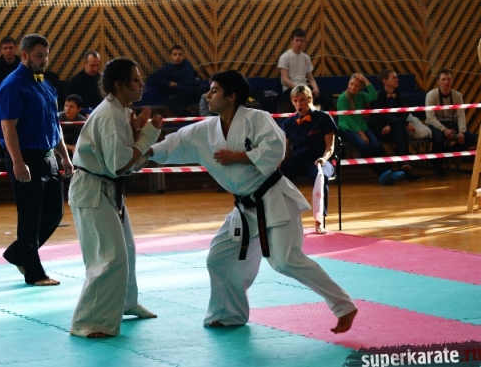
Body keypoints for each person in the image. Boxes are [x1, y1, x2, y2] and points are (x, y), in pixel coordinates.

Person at [146, 70, 357, 334]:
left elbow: (276, 148)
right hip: (245, 208)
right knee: (219, 257)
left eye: (214, 90)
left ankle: (343, 305)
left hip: (274, 199)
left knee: (285, 261)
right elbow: (174, 144)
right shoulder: (205, 130)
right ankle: (229, 314)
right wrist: (143, 151)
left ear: (232, 96)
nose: (207, 95)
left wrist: (239, 156)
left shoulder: (257, 118)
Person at [69, 58, 163, 338]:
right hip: (92, 190)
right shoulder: (110, 114)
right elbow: (119, 164)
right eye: (135, 79)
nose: (141, 84)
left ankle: (126, 302)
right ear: (119, 84)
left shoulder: (121, 111)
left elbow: (124, 160)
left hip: (108, 188)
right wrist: (147, 137)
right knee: (109, 257)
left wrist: (135, 132)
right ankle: (87, 322)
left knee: (127, 250)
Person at [0, 33, 73, 286]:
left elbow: (54, 124)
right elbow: (8, 128)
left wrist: (64, 156)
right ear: (25, 55)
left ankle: (17, 253)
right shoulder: (12, 85)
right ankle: (34, 273)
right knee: (30, 216)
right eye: (39, 55)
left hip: (48, 155)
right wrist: (18, 162)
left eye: (46, 55)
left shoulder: (46, 85)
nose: (44, 60)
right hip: (25, 155)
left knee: (54, 213)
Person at [280, 85, 337, 234]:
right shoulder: (288, 123)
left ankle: (320, 221)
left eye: (302, 100)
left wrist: (323, 158)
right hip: (298, 161)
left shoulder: (324, 118)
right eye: (295, 101)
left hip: (319, 161)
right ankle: (280, 218)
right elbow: (286, 152)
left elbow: (330, 147)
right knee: (275, 175)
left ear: (310, 99)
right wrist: (278, 162)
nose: (298, 104)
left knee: (320, 176)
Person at [337, 73, 405, 185]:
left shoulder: (361, 95)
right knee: (365, 147)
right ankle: (382, 174)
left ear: (361, 87)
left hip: (362, 126)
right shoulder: (342, 97)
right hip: (347, 128)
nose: (353, 87)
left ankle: (391, 173)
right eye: (351, 84)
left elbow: (374, 96)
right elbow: (347, 119)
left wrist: (366, 80)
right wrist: (361, 134)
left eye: (357, 86)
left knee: (377, 146)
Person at [367, 69, 423, 181]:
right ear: (385, 81)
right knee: (401, 129)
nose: (397, 79)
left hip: (393, 127)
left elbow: (404, 113)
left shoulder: (400, 95)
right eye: (394, 77)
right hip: (379, 128)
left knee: (401, 130)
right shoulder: (377, 96)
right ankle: (401, 168)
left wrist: (392, 125)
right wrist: (404, 123)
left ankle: (404, 168)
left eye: (397, 77)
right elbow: (382, 116)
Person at [425, 69, 478, 177]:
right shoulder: (431, 95)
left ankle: (443, 154)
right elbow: (430, 117)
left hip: (451, 122)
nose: (446, 82)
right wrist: (444, 130)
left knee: (471, 138)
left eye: (449, 79)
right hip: (436, 124)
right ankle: (439, 167)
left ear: (452, 81)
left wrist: (462, 131)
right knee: (439, 138)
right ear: (438, 82)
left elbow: (460, 115)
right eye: (443, 79)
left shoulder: (457, 95)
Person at [278, 28, 334, 112]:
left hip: (305, 87)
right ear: (291, 41)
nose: (299, 43)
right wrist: (298, 88)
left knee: (327, 101)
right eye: (297, 40)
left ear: (305, 42)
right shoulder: (285, 57)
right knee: (302, 100)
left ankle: (317, 117)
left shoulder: (306, 58)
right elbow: (285, 80)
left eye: (301, 41)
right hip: (290, 89)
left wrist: (315, 87)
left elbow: (310, 78)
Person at [147, 45, 201, 117]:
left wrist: (198, 78)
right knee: (172, 100)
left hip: (195, 88)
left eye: (180, 54)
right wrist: (168, 83)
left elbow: (194, 73)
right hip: (183, 92)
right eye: (175, 54)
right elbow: (152, 77)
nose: (177, 56)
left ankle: (211, 116)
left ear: (183, 56)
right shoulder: (168, 68)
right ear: (170, 56)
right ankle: (189, 117)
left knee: (208, 90)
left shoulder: (187, 64)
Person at [58, 94, 86, 158]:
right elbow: (55, 140)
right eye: (66, 106)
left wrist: (76, 146)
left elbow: (83, 138)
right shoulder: (58, 118)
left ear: (78, 109)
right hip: (59, 148)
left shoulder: (82, 121)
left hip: (76, 147)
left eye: (71, 107)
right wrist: (70, 147)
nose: (67, 108)